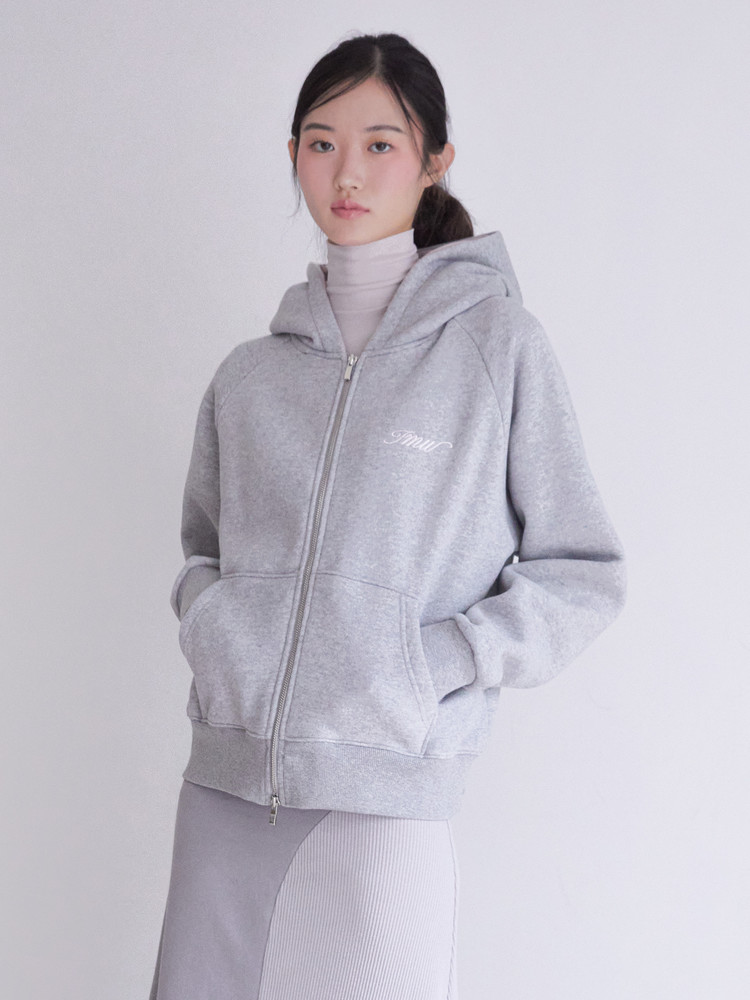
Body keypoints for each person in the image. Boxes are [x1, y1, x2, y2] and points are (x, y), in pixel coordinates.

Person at [149, 31, 626, 1000]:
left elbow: (584, 571)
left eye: (380, 143)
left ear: (435, 159)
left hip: (383, 809)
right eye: (322, 144)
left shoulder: (496, 349)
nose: (348, 173)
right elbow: (203, 550)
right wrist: (214, 622)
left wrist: (435, 662)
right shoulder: (250, 376)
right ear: (293, 156)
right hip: (222, 799)